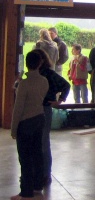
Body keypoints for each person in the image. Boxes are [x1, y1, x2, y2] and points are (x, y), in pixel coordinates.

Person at [10, 51, 49, 200]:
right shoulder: (44, 81)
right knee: (37, 154)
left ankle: (26, 192)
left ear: (26, 63)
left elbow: (18, 108)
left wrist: (14, 128)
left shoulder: (24, 83)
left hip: (25, 122)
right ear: (40, 64)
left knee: (25, 158)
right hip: (39, 118)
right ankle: (37, 186)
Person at [33, 48, 70, 187]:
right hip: (34, 109)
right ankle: (37, 172)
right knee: (36, 142)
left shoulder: (49, 74)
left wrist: (60, 101)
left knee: (43, 142)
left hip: (45, 108)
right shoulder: (33, 74)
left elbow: (66, 85)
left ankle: (46, 174)